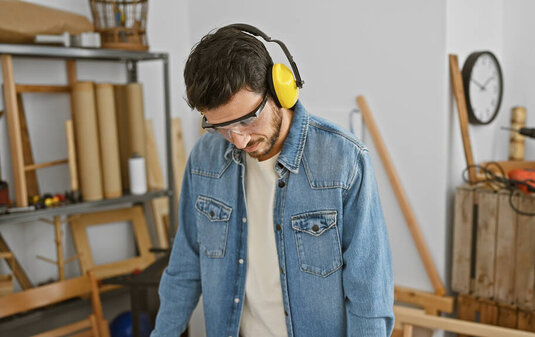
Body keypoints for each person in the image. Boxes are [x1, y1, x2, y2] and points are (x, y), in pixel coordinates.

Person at [151, 24, 394, 337]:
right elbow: (185, 266)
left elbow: (369, 295)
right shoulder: (205, 160)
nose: (238, 141)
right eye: (222, 127)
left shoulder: (344, 161)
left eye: (248, 120)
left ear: (281, 89)